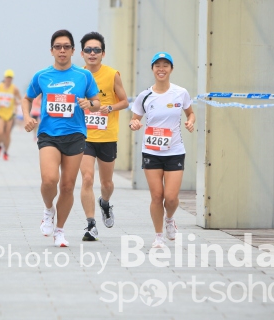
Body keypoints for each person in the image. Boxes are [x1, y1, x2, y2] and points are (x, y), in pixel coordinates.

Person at [22, 29, 101, 247]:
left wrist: (89, 104)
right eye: (58, 47)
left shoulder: (84, 76)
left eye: (66, 47)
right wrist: (27, 117)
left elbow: (97, 103)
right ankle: (48, 209)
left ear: (73, 50)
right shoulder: (42, 76)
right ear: (52, 51)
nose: (62, 50)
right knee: (49, 180)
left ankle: (60, 230)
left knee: (67, 186)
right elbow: (26, 98)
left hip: (75, 134)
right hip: (49, 134)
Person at [129, 52, 195, 249]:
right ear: (152, 69)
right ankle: (158, 236)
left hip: (175, 150)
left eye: (166, 65)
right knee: (157, 196)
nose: (161, 69)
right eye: (157, 65)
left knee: (171, 198)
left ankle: (169, 219)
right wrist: (134, 124)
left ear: (171, 69)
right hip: (151, 151)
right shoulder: (145, 96)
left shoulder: (180, 93)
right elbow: (134, 119)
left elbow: (190, 113)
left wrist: (190, 122)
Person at [78, 32, 129, 241]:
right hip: (84, 136)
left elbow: (125, 101)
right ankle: (90, 225)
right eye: (88, 50)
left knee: (106, 183)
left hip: (107, 136)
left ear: (103, 53)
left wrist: (110, 107)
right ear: (82, 53)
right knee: (87, 178)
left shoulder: (112, 74)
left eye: (96, 50)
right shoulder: (78, 76)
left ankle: (105, 203)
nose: (92, 53)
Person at [0, 70, 22, 160]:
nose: (8, 79)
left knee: (7, 134)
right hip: (0, 113)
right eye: (7, 77)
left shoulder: (14, 88)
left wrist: (17, 103)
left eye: (10, 78)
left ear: (12, 79)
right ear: (4, 78)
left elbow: (20, 99)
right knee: (0, 132)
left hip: (10, 114)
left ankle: (5, 152)